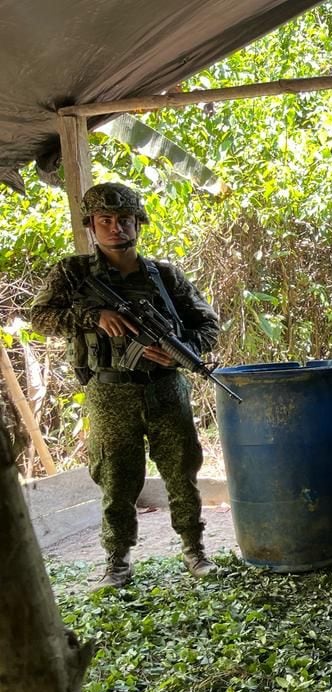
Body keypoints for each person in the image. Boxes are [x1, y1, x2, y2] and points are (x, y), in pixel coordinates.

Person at [30, 182, 221, 589]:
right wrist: (94, 316)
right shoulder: (72, 274)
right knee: (116, 478)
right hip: (109, 390)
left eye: (124, 220)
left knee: (181, 470)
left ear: (138, 223)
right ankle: (116, 561)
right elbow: (41, 318)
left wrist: (181, 351)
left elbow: (208, 325)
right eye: (105, 221)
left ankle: (194, 549)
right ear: (91, 226)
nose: (116, 228)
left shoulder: (165, 276)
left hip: (164, 387)